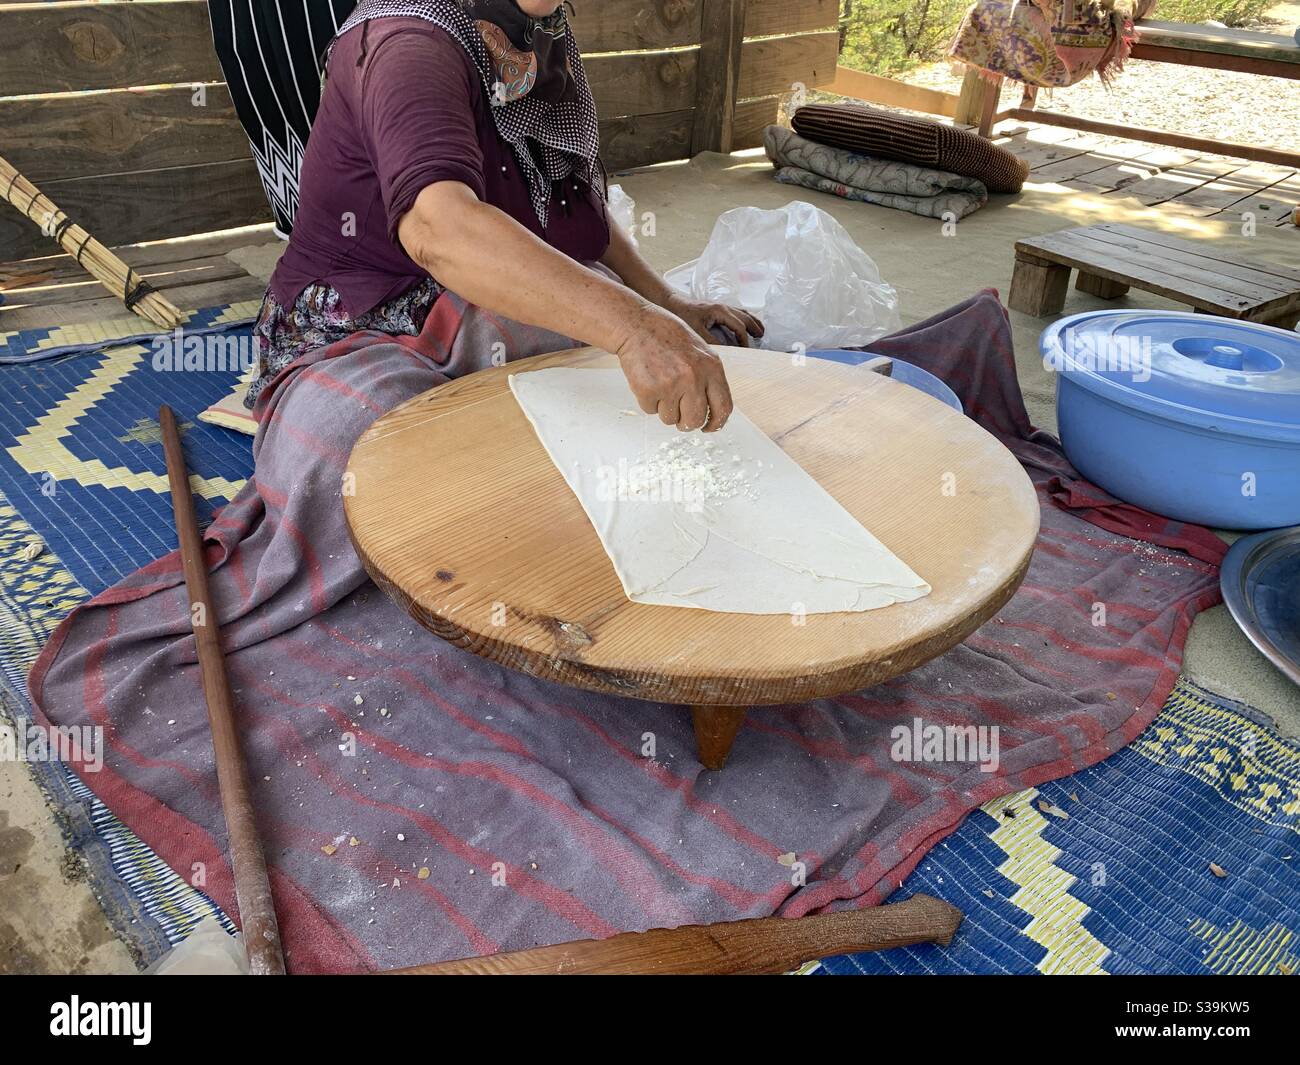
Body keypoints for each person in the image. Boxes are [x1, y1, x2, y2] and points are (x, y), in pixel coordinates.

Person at [247, 0, 763, 434]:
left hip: (472, 295)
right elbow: (439, 230)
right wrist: (635, 330)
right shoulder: (406, 41)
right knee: (374, 439)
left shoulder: (534, 31)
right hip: (364, 320)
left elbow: (570, 195)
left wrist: (665, 303)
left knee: (677, 363)